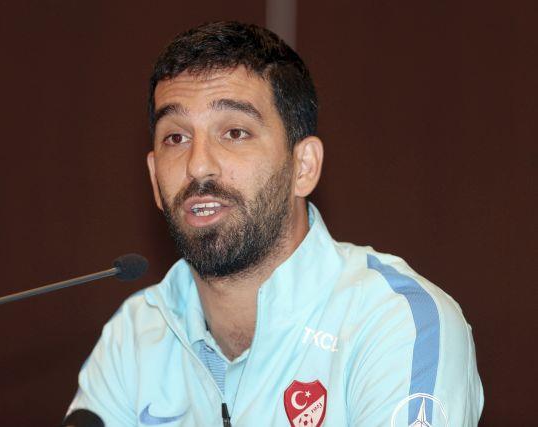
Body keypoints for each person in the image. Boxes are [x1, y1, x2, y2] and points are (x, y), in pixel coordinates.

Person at [66, 21, 483, 426]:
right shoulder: (135, 335)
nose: (198, 165)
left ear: (304, 167)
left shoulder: (396, 323)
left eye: (235, 132)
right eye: (176, 138)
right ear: (154, 177)